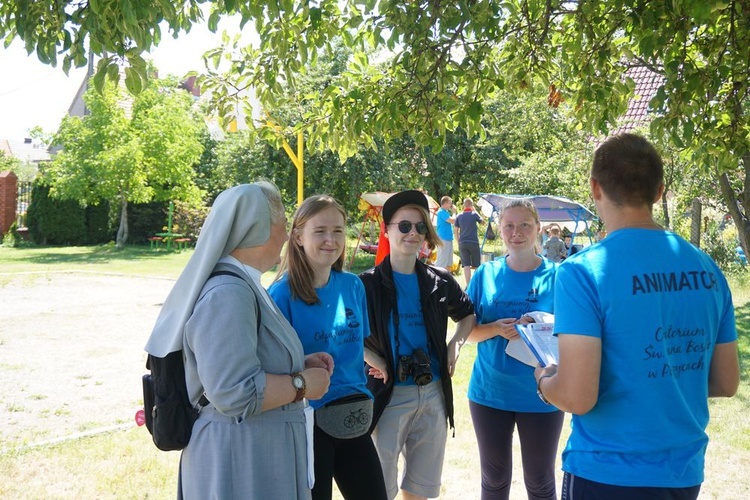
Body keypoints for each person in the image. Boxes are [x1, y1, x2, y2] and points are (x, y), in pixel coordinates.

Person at [534, 133, 740, 499]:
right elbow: (725, 382)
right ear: (659, 191)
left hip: (606, 472)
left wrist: (546, 383)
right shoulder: (706, 267)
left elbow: (578, 397)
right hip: (683, 472)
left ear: (595, 188)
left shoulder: (583, 272)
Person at [145, 182, 334, 499]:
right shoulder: (229, 294)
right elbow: (233, 392)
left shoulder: (244, 285)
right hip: (239, 460)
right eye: (282, 223)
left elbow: (243, 361)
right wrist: (302, 383)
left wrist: (296, 365)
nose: (286, 234)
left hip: (253, 453)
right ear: (259, 229)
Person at [268, 195, 387, 500]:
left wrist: (379, 362)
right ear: (298, 237)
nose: (330, 240)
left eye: (337, 230)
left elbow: (354, 340)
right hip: (306, 419)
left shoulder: (353, 285)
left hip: (353, 412)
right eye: (320, 231)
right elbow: (271, 362)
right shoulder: (281, 294)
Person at [359, 189, 476, 500]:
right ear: (386, 229)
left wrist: (456, 345)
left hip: (433, 392)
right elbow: (341, 332)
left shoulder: (440, 280)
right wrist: (372, 357)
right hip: (388, 395)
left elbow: (467, 315)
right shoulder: (366, 284)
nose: (413, 234)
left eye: (420, 227)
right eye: (404, 226)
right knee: (377, 488)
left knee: (420, 488)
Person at [466, 198, 563, 500]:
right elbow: (468, 332)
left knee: (540, 480)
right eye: (509, 225)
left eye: (524, 225)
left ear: (539, 230)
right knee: (493, 480)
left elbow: (573, 334)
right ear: (500, 229)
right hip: (490, 393)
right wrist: (496, 328)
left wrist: (541, 324)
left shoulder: (559, 276)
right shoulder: (485, 275)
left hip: (543, 392)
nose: (516, 232)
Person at [454, 197, 484, 285]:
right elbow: (482, 222)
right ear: (471, 205)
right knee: (476, 265)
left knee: (466, 265)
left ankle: (468, 285)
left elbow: (455, 230)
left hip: (463, 242)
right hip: (473, 242)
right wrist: (475, 211)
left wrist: (458, 240)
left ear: (463, 205)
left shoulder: (459, 216)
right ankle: (476, 284)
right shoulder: (474, 214)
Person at [435, 195, 455, 270]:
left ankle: (447, 277)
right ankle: (437, 275)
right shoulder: (441, 212)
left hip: (448, 238)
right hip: (443, 238)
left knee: (448, 261)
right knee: (442, 260)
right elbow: (452, 221)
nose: (451, 205)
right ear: (445, 203)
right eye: (450, 203)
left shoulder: (445, 212)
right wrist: (454, 213)